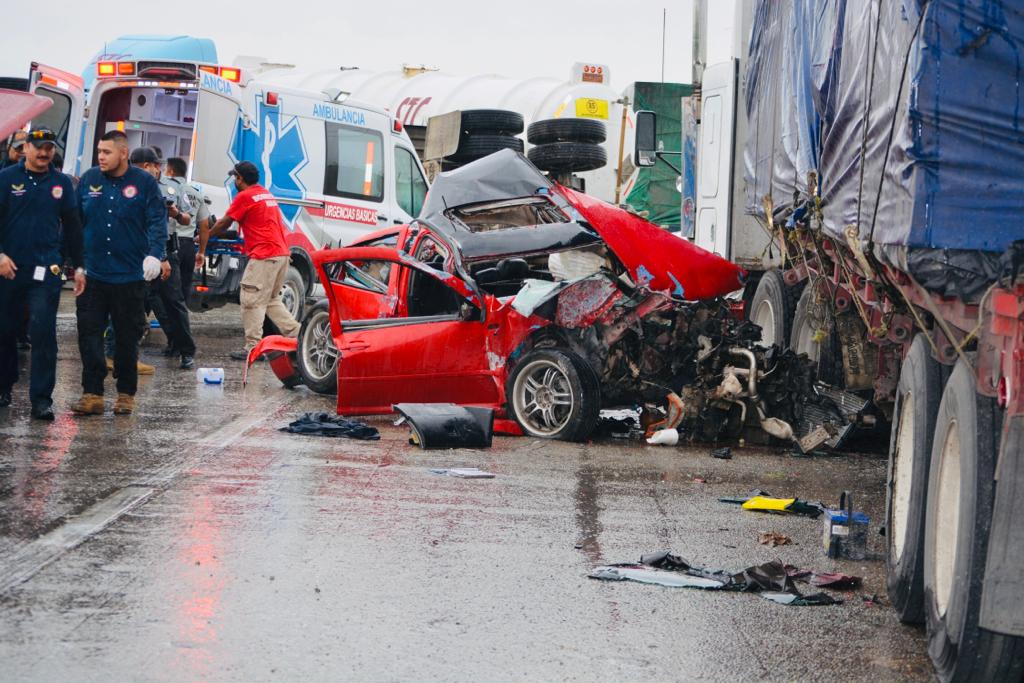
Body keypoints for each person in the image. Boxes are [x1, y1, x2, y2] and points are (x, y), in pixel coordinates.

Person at [72, 131, 165, 416]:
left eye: (107, 152)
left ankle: (126, 394)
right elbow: (75, 222)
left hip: (129, 276)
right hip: (93, 275)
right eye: (99, 151)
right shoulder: (89, 180)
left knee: (126, 338)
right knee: (88, 336)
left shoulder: (145, 183)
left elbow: (157, 221)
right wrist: (74, 263)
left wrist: (155, 254)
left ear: (123, 153)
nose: (101, 156)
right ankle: (92, 394)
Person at [0, 128, 85, 420]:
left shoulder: (62, 183)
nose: (43, 152)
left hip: (45, 269)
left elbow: (73, 226)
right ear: (25, 149)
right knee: (4, 330)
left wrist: (80, 267)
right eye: (38, 147)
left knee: (43, 332)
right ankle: (3, 387)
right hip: (8, 268)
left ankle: (41, 399)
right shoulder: (6, 178)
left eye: (48, 147)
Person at [199, 161, 299, 360]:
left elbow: (225, 222)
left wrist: (205, 235)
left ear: (240, 178)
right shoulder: (265, 193)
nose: (234, 181)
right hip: (281, 255)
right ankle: (298, 334)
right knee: (270, 300)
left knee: (251, 299)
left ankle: (253, 348)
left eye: (235, 177)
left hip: (265, 255)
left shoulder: (245, 196)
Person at [129, 146, 196, 369]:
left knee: (174, 302)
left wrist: (175, 213)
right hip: (137, 250)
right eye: (146, 166)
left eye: (156, 166)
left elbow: (187, 220)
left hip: (166, 251)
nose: (153, 170)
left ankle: (186, 350)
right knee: (138, 301)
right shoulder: (128, 187)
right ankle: (128, 348)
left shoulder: (172, 188)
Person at [164, 157, 209, 303]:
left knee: (162, 286)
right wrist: (201, 251)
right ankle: (180, 321)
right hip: (188, 246)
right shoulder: (197, 194)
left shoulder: (167, 190)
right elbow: (204, 226)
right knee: (183, 288)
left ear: (170, 171)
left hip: (170, 243)